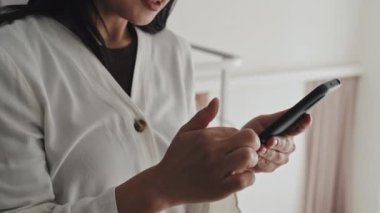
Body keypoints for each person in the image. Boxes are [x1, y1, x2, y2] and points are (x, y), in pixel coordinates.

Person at [0, 0, 312, 212]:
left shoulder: (172, 50)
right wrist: (160, 187)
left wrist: (230, 156)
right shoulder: (13, 56)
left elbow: (186, 183)